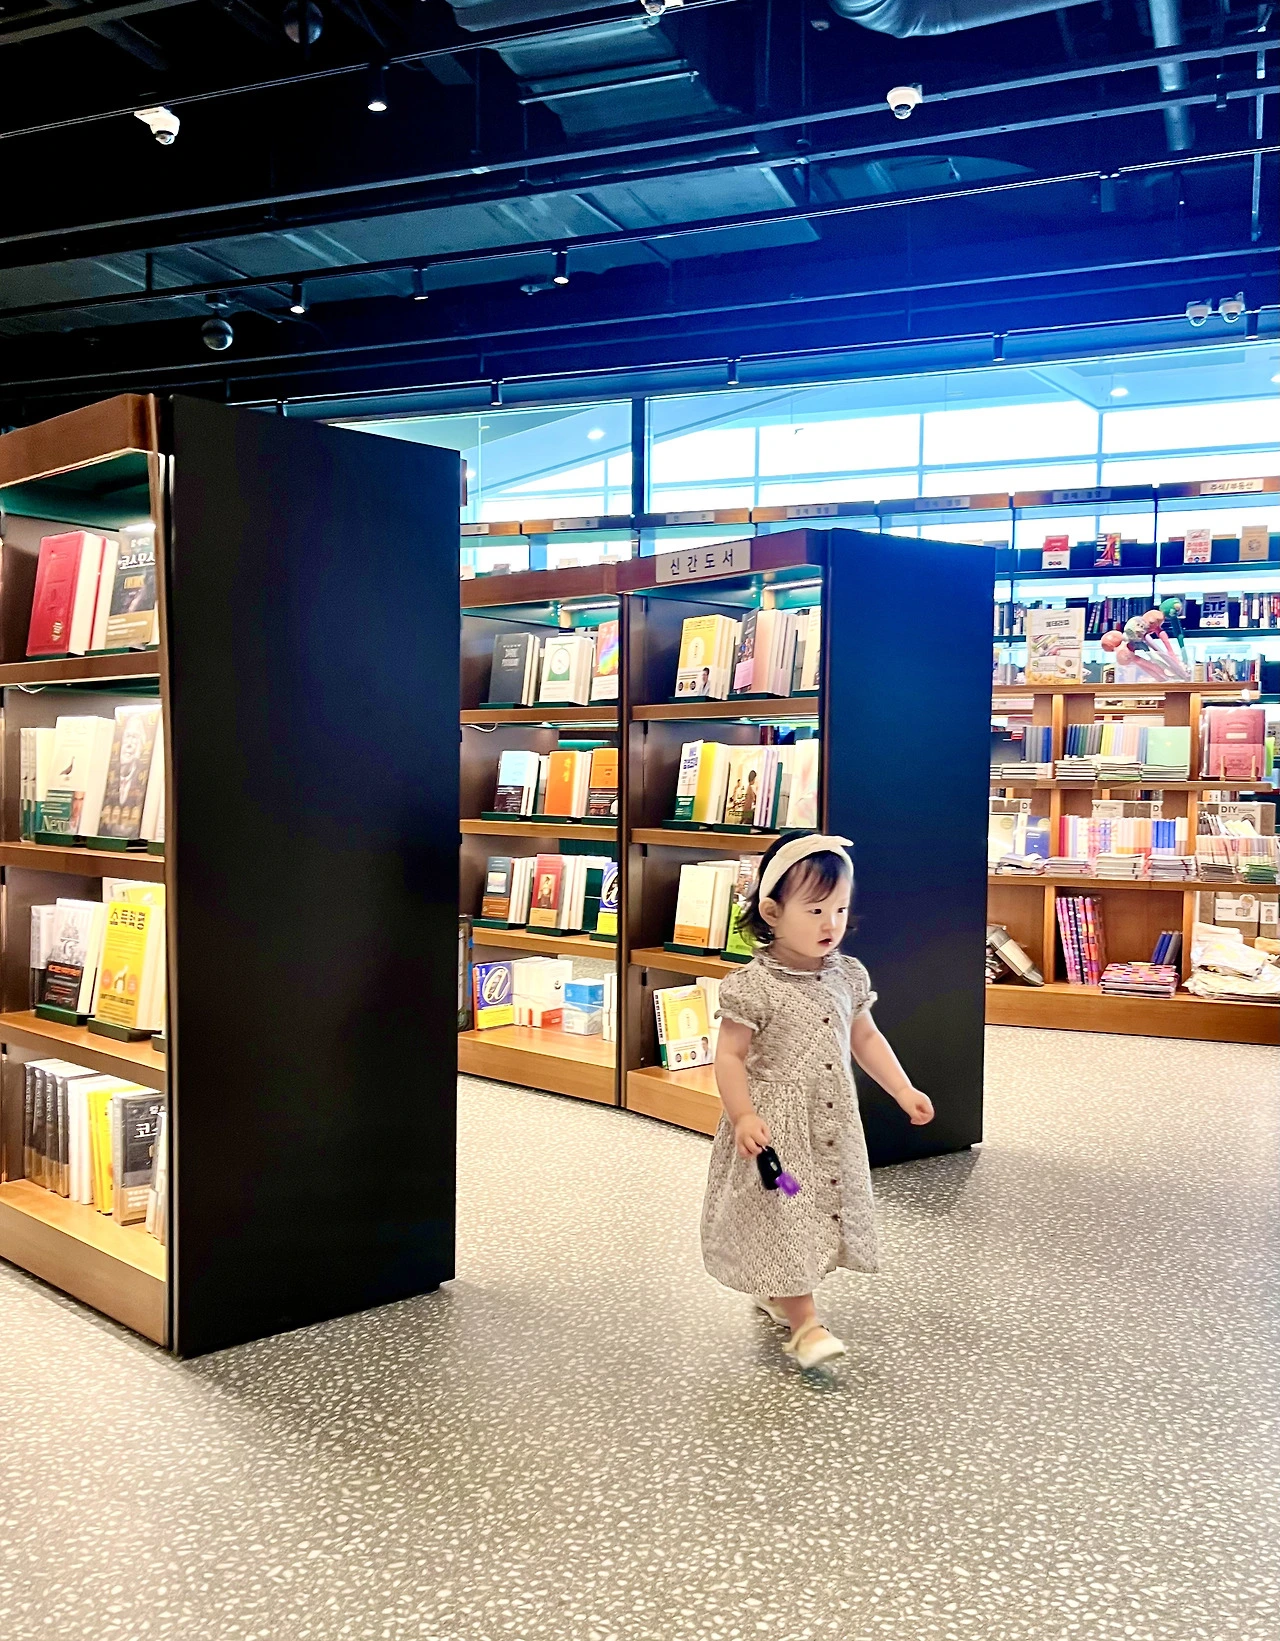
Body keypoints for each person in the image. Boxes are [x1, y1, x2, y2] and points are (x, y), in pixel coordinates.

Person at [700, 831, 934, 1370]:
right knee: (784, 1210)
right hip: (774, 1132)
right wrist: (742, 1115)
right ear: (772, 912)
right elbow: (729, 1056)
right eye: (815, 910)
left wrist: (903, 1090)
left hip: (827, 1121)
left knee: (811, 1211)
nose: (831, 923)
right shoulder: (753, 986)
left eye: (840, 909)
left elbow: (865, 1038)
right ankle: (806, 1325)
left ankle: (777, 1291)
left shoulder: (847, 975)